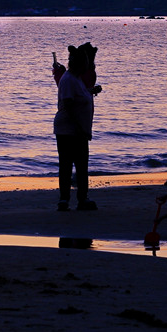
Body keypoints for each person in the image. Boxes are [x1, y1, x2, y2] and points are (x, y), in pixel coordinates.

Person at [53, 44, 97, 211]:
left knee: (80, 164)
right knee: (69, 164)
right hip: (69, 129)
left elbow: (79, 96)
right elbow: (69, 104)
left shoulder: (76, 79)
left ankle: (81, 198)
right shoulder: (69, 79)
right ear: (81, 64)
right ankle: (66, 199)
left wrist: (90, 91)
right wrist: (80, 128)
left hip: (77, 128)